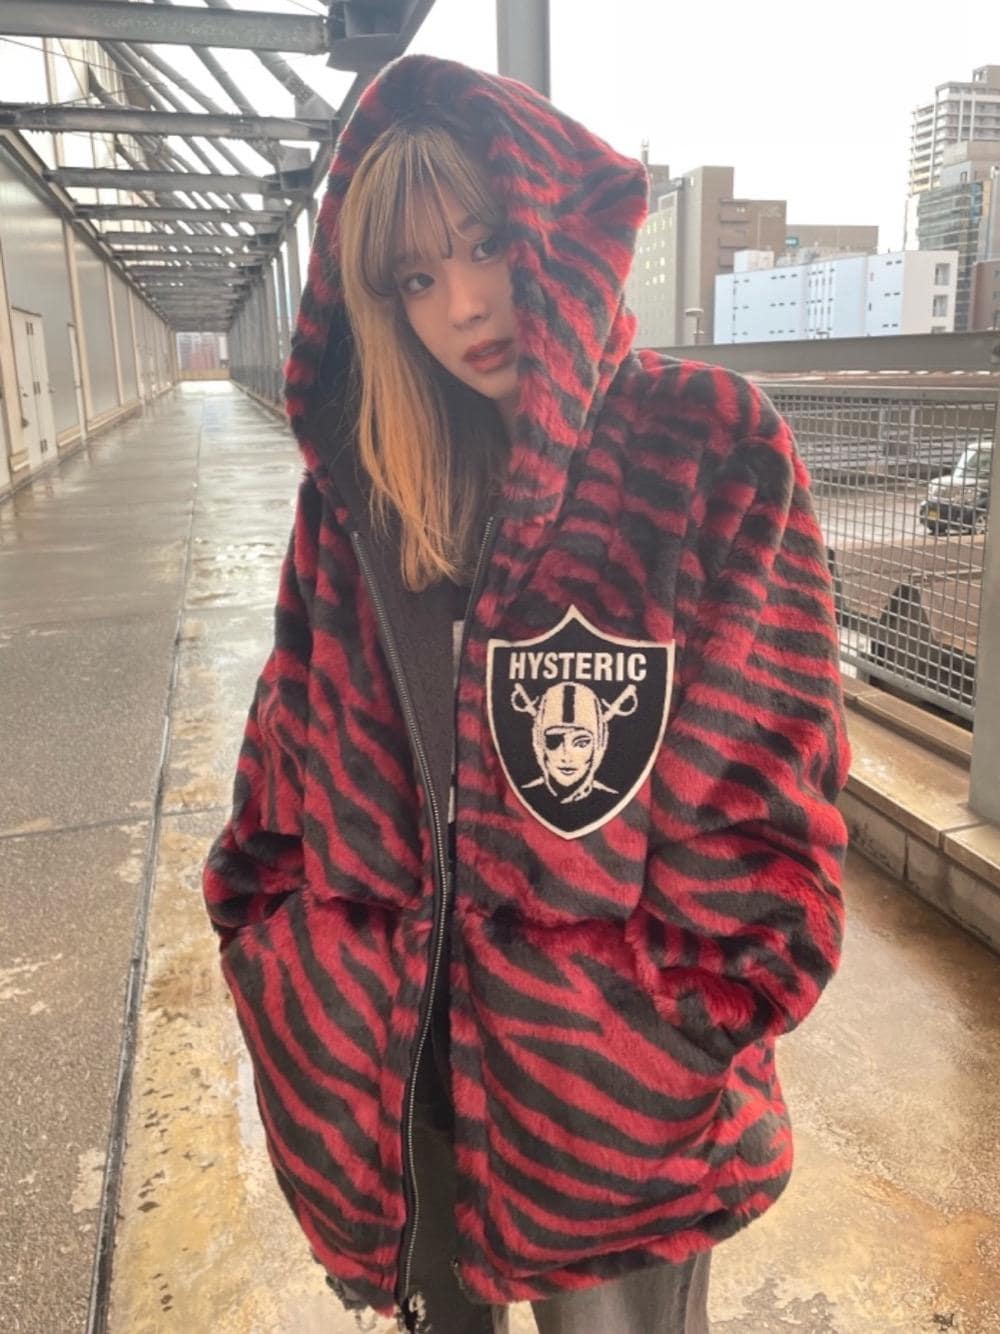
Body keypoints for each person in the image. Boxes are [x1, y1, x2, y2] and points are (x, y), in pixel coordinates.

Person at [203, 53, 850, 1334]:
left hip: (609, 1110)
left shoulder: (703, 446)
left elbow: (766, 803)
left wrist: (666, 1034)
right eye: (415, 277)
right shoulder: (364, 492)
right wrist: (290, 971)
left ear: (550, 227)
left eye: (487, 244)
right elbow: (282, 773)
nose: (464, 303)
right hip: (397, 1076)